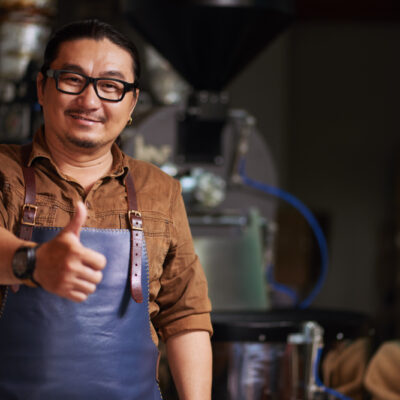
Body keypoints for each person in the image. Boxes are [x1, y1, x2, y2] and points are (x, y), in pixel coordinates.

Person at [0, 19, 212, 399]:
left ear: (131, 103)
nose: (90, 101)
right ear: (42, 87)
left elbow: (185, 316)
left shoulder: (160, 190)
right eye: (72, 79)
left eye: (111, 86)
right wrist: (31, 263)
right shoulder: (5, 170)